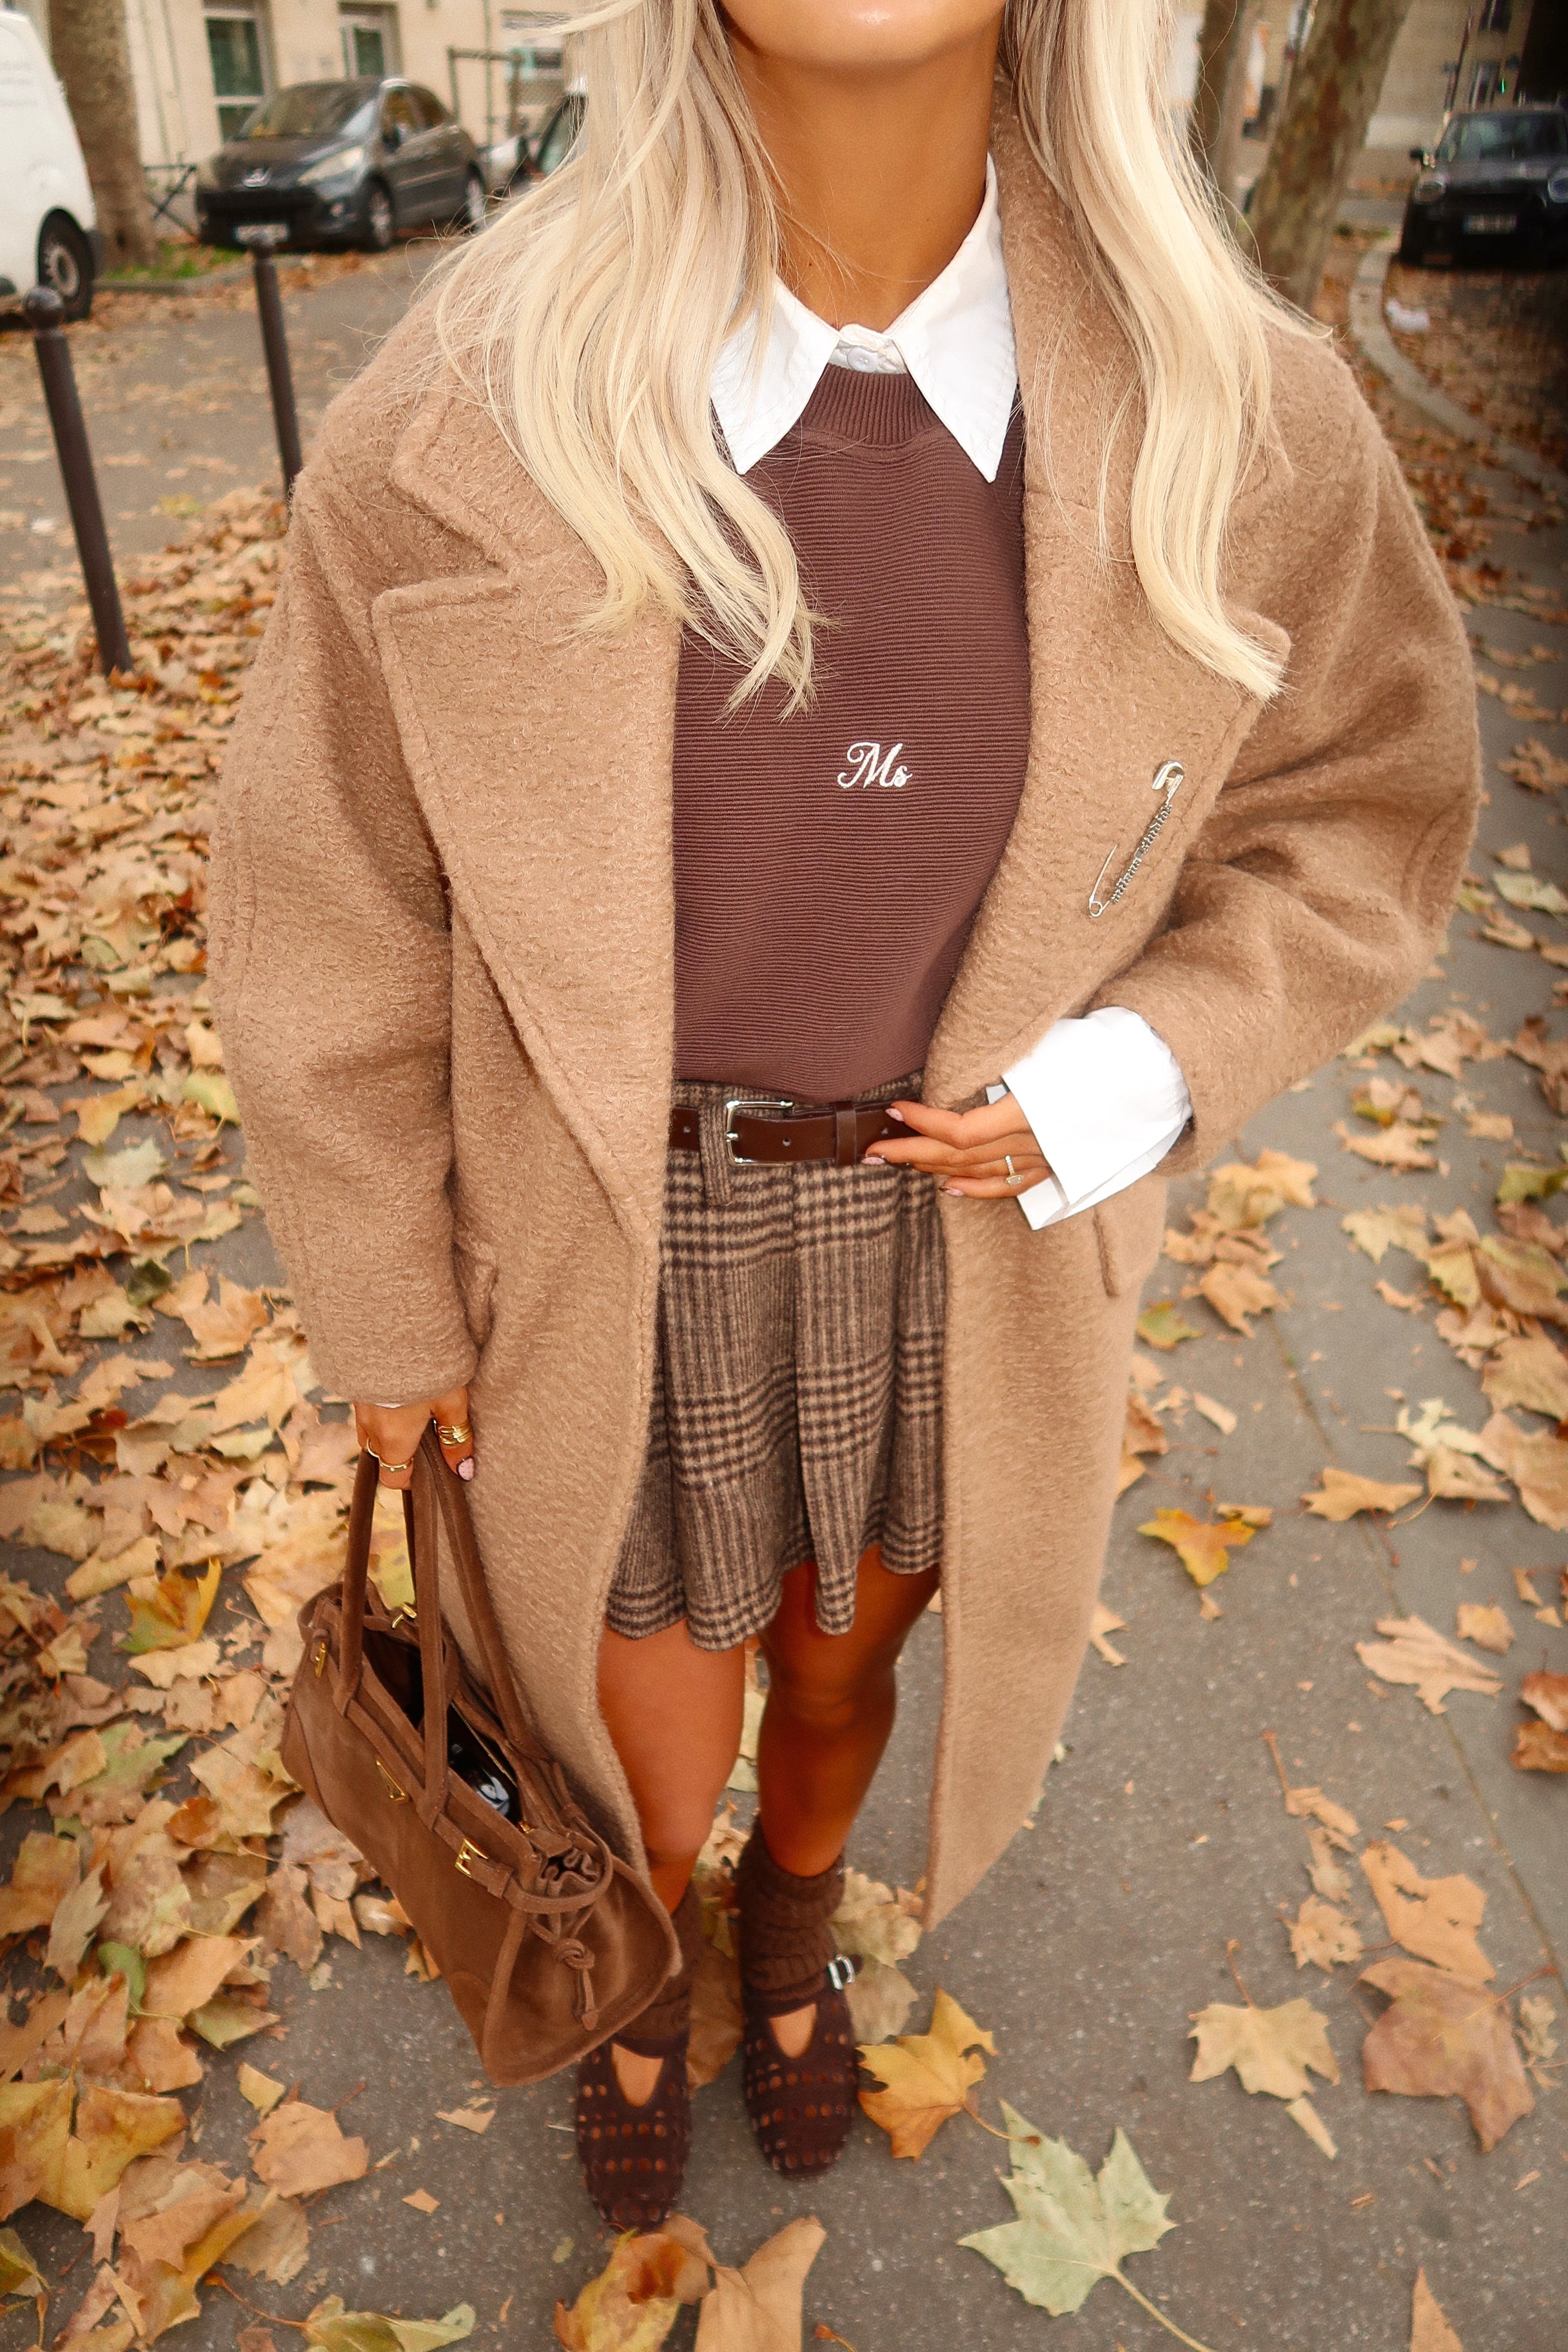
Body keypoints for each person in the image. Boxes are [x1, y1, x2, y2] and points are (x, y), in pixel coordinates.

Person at [210, 0, 1478, 2233]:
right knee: (638, 1721)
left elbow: (1370, 809)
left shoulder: (1240, 408)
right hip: (612, 1235)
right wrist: (385, 1302)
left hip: (956, 1239)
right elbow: (331, 888)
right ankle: (628, 1977)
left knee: (842, 1666)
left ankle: (790, 1937)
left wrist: (1131, 1070)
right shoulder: (469, 399)